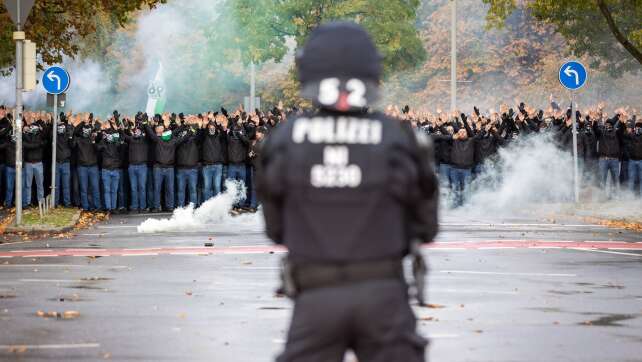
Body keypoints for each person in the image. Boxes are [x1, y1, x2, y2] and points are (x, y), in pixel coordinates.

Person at [257, 22, 439, 362]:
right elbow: (426, 227)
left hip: (314, 298)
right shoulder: (401, 138)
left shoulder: (283, 139)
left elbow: (275, 230)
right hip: (384, 296)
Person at [201, 114, 227, 201]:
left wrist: (220, 125)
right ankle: (207, 206)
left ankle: (217, 206)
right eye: (210, 127)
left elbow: (224, 135)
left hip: (218, 166)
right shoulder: (204, 137)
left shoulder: (219, 137)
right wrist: (204, 126)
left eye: (213, 127)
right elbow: (201, 134)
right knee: (207, 187)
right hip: (207, 166)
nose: (211, 128)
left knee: (217, 187)